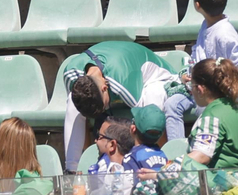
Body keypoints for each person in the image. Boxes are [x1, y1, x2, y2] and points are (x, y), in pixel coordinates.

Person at [61, 40, 178, 169]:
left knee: (151, 102)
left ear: (105, 88)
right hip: (119, 66)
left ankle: (154, 163)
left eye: (103, 105)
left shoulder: (122, 81)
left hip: (155, 79)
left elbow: (139, 120)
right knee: (72, 104)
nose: (103, 110)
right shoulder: (70, 74)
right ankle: (71, 170)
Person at [164, 0, 238, 141]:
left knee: (202, 109)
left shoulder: (225, 34)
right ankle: (175, 152)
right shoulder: (206, 25)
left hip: (217, 92)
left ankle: (199, 149)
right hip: (197, 87)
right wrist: (190, 74)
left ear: (197, 5)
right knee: (171, 105)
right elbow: (198, 55)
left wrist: (229, 91)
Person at [186, 58, 238, 175]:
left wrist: (168, 169)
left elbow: (202, 156)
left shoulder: (212, 116)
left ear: (200, 89)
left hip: (215, 191)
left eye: (191, 86)